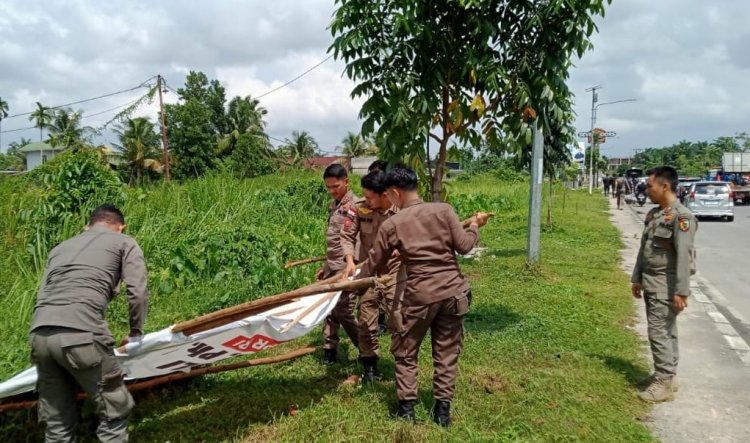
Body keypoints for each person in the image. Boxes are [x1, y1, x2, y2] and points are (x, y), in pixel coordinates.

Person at [358, 167, 490, 426]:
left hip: (419, 297)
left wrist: (351, 276)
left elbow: (374, 264)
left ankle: (407, 410)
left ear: (395, 193)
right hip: (454, 294)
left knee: (406, 350)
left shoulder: (393, 224)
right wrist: (475, 226)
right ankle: (442, 412)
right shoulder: (444, 210)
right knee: (447, 351)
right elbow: (464, 246)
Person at [29, 204, 150, 442]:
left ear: (88, 226)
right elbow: (138, 291)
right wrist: (136, 331)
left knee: (57, 425)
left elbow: (42, 295)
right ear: (121, 226)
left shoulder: (59, 248)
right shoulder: (124, 242)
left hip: (39, 335)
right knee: (115, 412)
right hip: (82, 334)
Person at [631, 166, 697, 402]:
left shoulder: (682, 218)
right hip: (651, 281)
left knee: (659, 332)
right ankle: (668, 376)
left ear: (665, 186)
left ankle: (664, 382)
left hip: (666, 285)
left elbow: (684, 257)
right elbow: (644, 249)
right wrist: (636, 277)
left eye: (650, 186)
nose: (646, 190)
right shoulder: (655, 214)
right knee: (667, 332)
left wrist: (681, 291)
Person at [340, 170, 401, 382]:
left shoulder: (402, 212)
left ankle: (402, 364)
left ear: (385, 195)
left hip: (394, 273)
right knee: (366, 320)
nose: (365, 200)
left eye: (369, 197)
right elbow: (347, 235)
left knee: (398, 319)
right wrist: (349, 260)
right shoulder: (359, 210)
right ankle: (370, 364)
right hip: (368, 272)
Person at [317, 163, 360, 364]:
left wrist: (352, 266)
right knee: (329, 310)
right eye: (329, 187)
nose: (332, 191)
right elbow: (334, 241)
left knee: (343, 310)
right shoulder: (334, 206)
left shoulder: (357, 206)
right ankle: (330, 349)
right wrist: (326, 266)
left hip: (347, 267)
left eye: (336, 186)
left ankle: (366, 348)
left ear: (346, 182)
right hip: (332, 265)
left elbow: (356, 240)